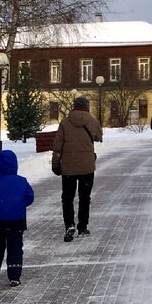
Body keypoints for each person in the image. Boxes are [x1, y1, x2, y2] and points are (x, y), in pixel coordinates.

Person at [52, 96, 102, 242]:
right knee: (84, 198)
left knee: (67, 198)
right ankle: (82, 227)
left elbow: (57, 146)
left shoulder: (65, 123)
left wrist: (56, 164)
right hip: (87, 166)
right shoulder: (92, 121)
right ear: (86, 107)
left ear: (74, 106)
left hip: (68, 167)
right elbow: (99, 136)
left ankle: (69, 225)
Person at [0, 149, 34, 287]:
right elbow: (30, 197)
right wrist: (20, 205)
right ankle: (14, 275)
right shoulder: (22, 181)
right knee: (15, 247)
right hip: (17, 221)